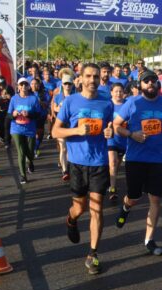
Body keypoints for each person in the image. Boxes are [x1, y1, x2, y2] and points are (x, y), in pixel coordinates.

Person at [52, 63, 115, 275]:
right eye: (88, 76)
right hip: (77, 164)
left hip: (99, 163)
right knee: (80, 208)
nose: (92, 80)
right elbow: (54, 132)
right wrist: (77, 130)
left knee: (97, 208)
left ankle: (93, 253)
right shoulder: (70, 101)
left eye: (96, 77)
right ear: (81, 78)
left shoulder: (106, 104)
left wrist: (109, 131)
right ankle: (71, 219)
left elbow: (110, 127)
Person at [113, 70, 162, 256]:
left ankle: (149, 240)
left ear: (157, 84)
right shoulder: (132, 103)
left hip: (157, 159)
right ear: (140, 85)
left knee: (156, 199)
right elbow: (116, 125)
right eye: (146, 81)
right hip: (135, 158)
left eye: (153, 81)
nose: (150, 83)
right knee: (134, 197)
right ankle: (125, 208)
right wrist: (132, 134)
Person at [7, 78, 43, 184]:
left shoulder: (33, 99)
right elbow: (8, 115)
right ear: (18, 87)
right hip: (16, 129)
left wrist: (29, 114)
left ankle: (30, 161)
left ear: (28, 86)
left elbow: (38, 114)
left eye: (25, 84)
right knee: (21, 152)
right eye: (21, 85)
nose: (23, 87)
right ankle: (23, 175)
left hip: (30, 129)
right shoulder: (14, 99)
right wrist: (13, 115)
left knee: (30, 152)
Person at [51, 71, 76, 181]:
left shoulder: (76, 97)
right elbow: (54, 108)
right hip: (61, 124)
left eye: (69, 84)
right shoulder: (58, 96)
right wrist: (60, 108)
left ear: (72, 85)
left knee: (71, 149)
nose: (67, 86)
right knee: (63, 148)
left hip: (72, 125)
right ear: (62, 84)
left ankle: (69, 166)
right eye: (65, 84)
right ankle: (65, 171)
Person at [106, 83, 128, 201]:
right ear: (111, 92)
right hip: (111, 139)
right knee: (113, 163)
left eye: (120, 91)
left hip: (123, 140)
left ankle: (111, 178)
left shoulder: (127, 104)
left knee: (117, 164)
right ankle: (113, 188)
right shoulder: (108, 105)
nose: (118, 93)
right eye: (116, 91)